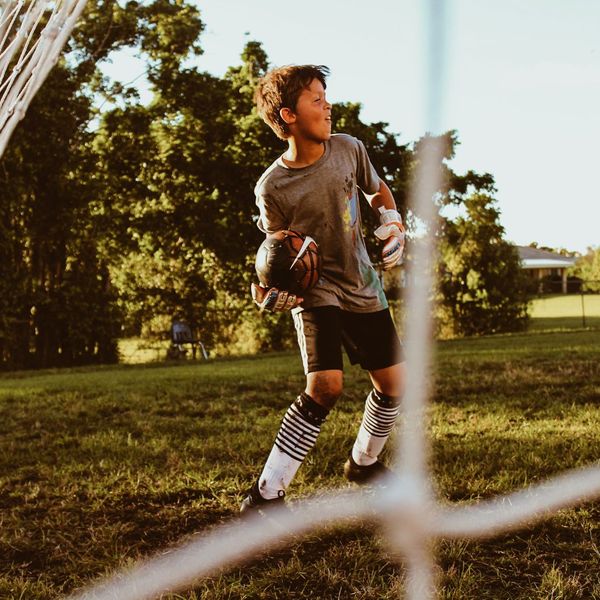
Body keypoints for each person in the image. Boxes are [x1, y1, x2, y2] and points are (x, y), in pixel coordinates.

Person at [241, 65, 406, 514]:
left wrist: (391, 221)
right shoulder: (272, 187)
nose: (327, 104)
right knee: (326, 386)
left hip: (361, 281)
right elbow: (274, 254)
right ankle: (266, 495)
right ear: (288, 114)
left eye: (325, 96)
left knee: (394, 384)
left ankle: (364, 463)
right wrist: (270, 290)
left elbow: (377, 192)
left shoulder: (349, 149)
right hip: (317, 291)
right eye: (316, 99)